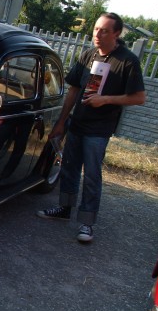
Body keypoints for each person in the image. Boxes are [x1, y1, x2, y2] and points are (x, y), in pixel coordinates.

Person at [37, 13, 145, 243]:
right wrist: (61, 122)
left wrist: (105, 99)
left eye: (104, 30)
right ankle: (64, 208)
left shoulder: (127, 61)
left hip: (99, 129)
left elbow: (139, 97)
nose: (98, 34)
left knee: (92, 175)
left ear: (116, 33)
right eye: (96, 29)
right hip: (78, 123)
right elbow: (73, 90)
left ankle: (87, 223)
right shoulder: (88, 54)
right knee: (69, 167)